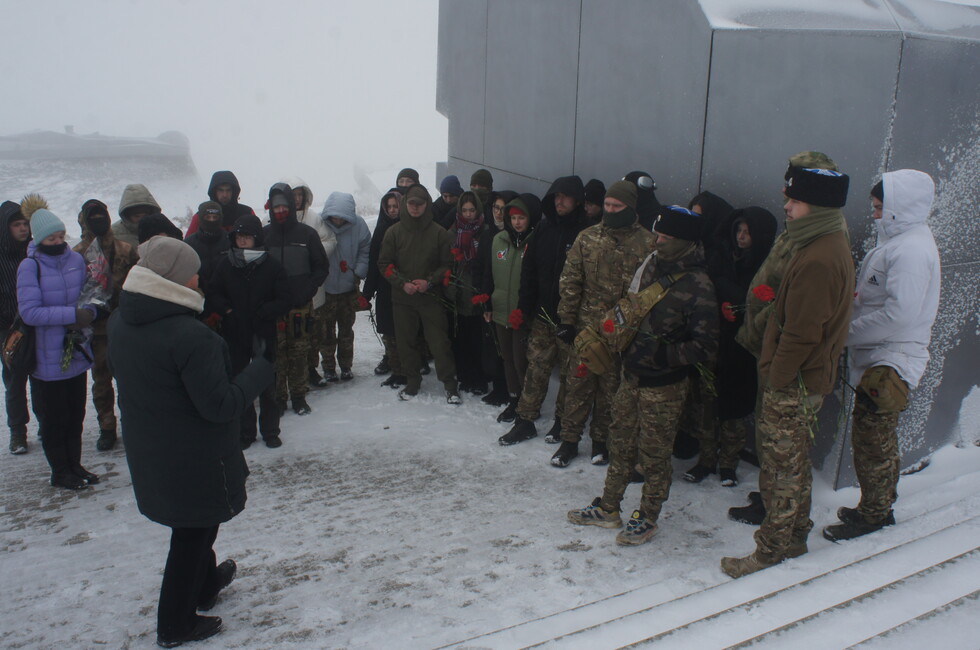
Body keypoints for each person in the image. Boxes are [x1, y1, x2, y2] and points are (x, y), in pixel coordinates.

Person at [107, 236, 274, 647]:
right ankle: (175, 624)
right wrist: (258, 371)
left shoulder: (122, 320)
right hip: (193, 455)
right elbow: (219, 406)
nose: (200, 277)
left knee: (197, 522)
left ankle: (206, 583)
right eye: (194, 271)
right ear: (176, 278)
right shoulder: (190, 337)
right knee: (192, 532)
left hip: (154, 446)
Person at [721, 164, 854, 578]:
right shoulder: (823, 242)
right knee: (792, 464)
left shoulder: (818, 257)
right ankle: (794, 534)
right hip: (799, 378)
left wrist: (777, 378)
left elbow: (801, 333)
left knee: (780, 470)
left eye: (795, 201)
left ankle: (771, 549)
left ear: (816, 207)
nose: (787, 206)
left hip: (792, 382)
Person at [567, 205, 718, 544]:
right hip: (630, 376)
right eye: (657, 234)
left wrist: (664, 355)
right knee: (619, 445)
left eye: (665, 237)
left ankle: (647, 516)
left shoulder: (698, 284)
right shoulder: (649, 267)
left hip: (664, 386)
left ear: (684, 241)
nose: (657, 241)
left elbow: (706, 345)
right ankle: (609, 507)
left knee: (654, 456)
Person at [823, 169, 941, 542]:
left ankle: (873, 515)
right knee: (876, 439)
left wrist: (844, 335)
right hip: (878, 356)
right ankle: (876, 505)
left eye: (879, 208)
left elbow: (900, 313)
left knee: (873, 441)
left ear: (898, 207)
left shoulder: (911, 250)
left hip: (890, 361)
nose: (874, 215)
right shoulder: (900, 240)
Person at [551, 180, 656, 467]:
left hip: (621, 333)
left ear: (630, 207)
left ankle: (600, 442)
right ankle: (569, 441)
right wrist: (567, 320)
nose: (609, 210)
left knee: (611, 390)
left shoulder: (647, 243)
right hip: (586, 328)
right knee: (578, 385)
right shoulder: (587, 237)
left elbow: (648, 293)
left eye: (616, 206)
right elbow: (571, 280)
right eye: (607, 205)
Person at [684, 206, 777, 488]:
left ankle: (729, 464)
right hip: (717, 339)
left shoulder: (765, 264)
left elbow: (764, 301)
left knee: (734, 410)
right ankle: (706, 459)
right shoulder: (722, 256)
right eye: (739, 230)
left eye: (747, 233)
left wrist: (737, 302)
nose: (741, 237)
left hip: (744, 346)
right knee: (709, 404)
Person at [502, 175, 589, 445]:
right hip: (543, 315)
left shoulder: (586, 233)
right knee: (536, 368)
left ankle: (561, 422)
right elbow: (529, 271)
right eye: (555, 196)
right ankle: (525, 419)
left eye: (564, 196)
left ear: (577, 200)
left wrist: (575, 319)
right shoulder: (543, 228)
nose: (559, 201)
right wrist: (523, 308)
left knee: (568, 375)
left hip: (572, 320)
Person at [16, 205, 98, 489]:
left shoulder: (75, 259)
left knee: (76, 414)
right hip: (45, 359)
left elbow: (91, 291)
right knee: (53, 419)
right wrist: (72, 316)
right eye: (51, 238)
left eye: (61, 236)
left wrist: (92, 310)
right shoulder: (30, 266)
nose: (58, 242)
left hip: (74, 351)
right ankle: (60, 471)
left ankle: (75, 465)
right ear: (39, 240)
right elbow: (30, 313)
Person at [207, 215, 291, 449]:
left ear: (257, 238)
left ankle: (271, 430)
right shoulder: (226, 264)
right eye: (238, 236)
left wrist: (267, 311)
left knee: (267, 384)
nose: (242, 241)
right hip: (234, 332)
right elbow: (213, 293)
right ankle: (245, 432)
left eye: (247, 237)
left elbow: (285, 298)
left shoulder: (271, 265)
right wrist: (227, 309)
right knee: (240, 383)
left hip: (264, 332)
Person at [377, 184, 460, 403]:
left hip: (430, 298)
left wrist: (430, 282)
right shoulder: (393, 232)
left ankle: (450, 386)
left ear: (426, 206)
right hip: (402, 299)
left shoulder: (438, 233)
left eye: (420, 204)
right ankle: (412, 382)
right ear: (406, 204)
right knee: (406, 343)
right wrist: (401, 283)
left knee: (439, 343)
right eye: (411, 203)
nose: (415, 208)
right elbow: (384, 263)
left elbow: (447, 264)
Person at [73, 198, 139, 451]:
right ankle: (107, 426)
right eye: (93, 217)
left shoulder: (125, 249)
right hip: (96, 328)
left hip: (123, 323)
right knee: (101, 380)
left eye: (102, 215)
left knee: (129, 378)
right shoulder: (78, 254)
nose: (99, 221)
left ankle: (130, 423)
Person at [263, 183, 329, 416]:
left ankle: (299, 396)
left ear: (291, 206)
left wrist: (309, 289)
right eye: (275, 207)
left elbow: (321, 267)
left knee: (300, 352)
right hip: (274, 308)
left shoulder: (307, 234)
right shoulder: (265, 236)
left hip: (301, 305)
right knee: (277, 354)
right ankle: (280, 398)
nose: (280, 211)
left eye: (284, 206)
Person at [484, 193, 541, 427]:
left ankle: (528, 405)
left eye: (522, 217)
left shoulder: (537, 241)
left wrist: (527, 310)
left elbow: (538, 281)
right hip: (500, 309)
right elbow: (489, 272)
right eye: (513, 217)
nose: (517, 222)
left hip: (522, 313)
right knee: (506, 357)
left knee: (521, 361)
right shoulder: (499, 239)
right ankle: (513, 399)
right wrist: (487, 302)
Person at [281, 177, 337, 387]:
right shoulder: (273, 219)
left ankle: (312, 369)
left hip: (312, 286)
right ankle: (291, 374)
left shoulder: (314, 218)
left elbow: (330, 240)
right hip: (286, 286)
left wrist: (310, 255)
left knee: (313, 332)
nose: (296, 199)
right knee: (289, 334)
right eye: (292, 194)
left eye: (299, 195)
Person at [318, 192, 371, 382]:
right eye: (334, 216)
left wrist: (358, 272)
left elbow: (366, 250)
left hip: (349, 289)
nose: (338, 220)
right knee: (326, 332)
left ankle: (346, 366)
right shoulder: (321, 225)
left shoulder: (359, 225)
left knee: (346, 331)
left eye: (342, 216)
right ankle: (329, 367)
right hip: (327, 290)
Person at [448, 190, 491, 394]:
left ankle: (480, 377)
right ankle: (465, 376)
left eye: (472, 210)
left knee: (479, 339)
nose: (468, 214)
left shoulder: (486, 233)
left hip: (478, 291)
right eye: (464, 210)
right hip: (458, 294)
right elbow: (445, 263)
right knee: (461, 338)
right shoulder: (452, 232)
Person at [363, 189, 405, 385]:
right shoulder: (381, 229)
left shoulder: (408, 228)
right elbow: (374, 262)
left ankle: (407, 371)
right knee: (388, 331)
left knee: (404, 330)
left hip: (405, 287)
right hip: (385, 287)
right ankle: (396, 370)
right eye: (388, 207)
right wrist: (367, 292)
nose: (392, 210)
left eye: (395, 206)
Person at [1, 199, 31, 454]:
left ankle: (46, 423)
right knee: (14, 380)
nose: (22, 229)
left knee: (42, 377)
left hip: (35, 324)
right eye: (16, 225)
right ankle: (18, 432)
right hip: (7, 327)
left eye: (25, 224)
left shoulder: (35, 251)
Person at [185, 201, 231, 313]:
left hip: (226, 303)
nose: (211, 221)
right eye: (208, 217)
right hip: (197, 302)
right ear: (201, 218)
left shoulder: (231, 241)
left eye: (215, 217)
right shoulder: (188, 244)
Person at [185, 171, 256, 236]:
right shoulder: (201, 216)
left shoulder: (247, 213)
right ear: (214, 192)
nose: (225, 194)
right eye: (221, 190)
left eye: (228, 190)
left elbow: (258, 238)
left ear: (234, 192)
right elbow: (188, 245)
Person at [112, 183, 162, 248]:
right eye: (137, 216)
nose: (142, 219)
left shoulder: (164, 228)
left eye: (145, 215)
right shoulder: (113, 234)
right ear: (127, 216)